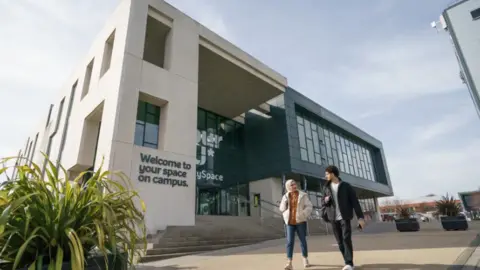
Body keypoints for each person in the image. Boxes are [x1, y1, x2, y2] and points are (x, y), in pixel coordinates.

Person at [321, 165, 365, 270]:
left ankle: (349, 263)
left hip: (345, 216)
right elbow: (322, 202)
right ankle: (347, 261)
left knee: (346, 239)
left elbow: (355, 202)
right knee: (340, 241)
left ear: (332, 173)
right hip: (333, 217)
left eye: (327, 173)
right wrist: (326, 200)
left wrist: (360, 217)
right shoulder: (326, 187)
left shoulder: (346, 186)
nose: (325, 175)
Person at [279, 179, 313, 269]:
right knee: (290, 242)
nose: (294, 186)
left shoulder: (303, 195)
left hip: (300, 221)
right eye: (291, 185)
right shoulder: (285, 196)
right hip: (290, 222)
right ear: (288, 187)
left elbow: (309, 206)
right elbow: (281, 208)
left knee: (303, 240)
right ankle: (289, 262)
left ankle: (305, 259)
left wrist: (303, 214)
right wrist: (285, 203)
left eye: (294, 184)